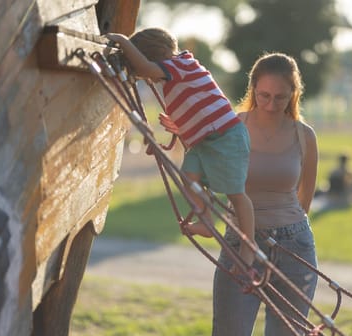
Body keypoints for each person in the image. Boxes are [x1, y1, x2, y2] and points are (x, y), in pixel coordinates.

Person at [105, 28, 255, 267]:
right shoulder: (178, 71)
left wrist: (122, 40)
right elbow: (197, 103)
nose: (151, 79)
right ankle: (206, 219)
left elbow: (145, 68)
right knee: (188, 177)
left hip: (226, 137)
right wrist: (180, 126)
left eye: (150, 74)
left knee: (236, 194)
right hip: (204, 141)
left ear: (159, 56)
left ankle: (249, 246)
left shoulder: (179, 65)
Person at [211, 52, 319, 336]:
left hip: (294, 247)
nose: (271, 105)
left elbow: (304, 198)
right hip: (240, 243)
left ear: (294, 94)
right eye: (264, 96)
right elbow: (202, 164)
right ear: (252, 89)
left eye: (281, 98)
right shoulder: (232, 125)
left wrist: (285, 230)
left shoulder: (304, 135)